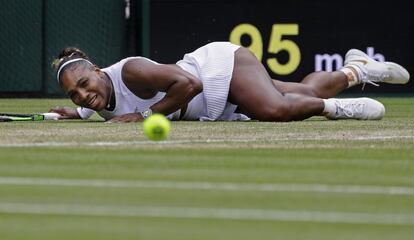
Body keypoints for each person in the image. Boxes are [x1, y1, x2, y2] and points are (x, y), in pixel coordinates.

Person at [50, 42, 410, 122]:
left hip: (217, 69)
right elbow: (99, 102)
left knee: (274, 109)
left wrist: (146, 117)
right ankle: (357, 70)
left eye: (85, 83)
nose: (85, 94)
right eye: (75, 94)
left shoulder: (131, 72)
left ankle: (336, 110)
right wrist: (76, 113)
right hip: (214, 102)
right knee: (305, 89)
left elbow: (189, 84)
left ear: (98, 69)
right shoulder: (91, 101)